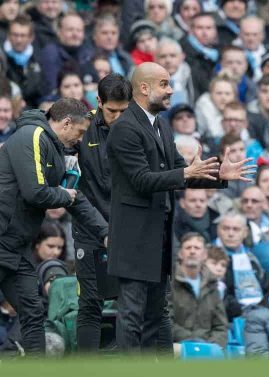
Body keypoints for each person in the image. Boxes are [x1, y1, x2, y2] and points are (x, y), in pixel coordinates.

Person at [105, 62, 255, 354]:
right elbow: (142, 179)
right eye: (164, 84)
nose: (171, 90)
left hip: (159, 237)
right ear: (144, 88)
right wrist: (185, 173)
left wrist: (217, 177)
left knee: (154, 317)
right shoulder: (124, 128)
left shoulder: (160, 123)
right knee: (132, 316)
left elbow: (177, 170)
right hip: (134, 238)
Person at [0, 98, 109, 355]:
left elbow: (73, 197)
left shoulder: (58, 150)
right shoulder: (33, 135)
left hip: (16, 247)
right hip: (2, 239)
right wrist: (64, 195)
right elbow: (35, 192)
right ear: (66, 123)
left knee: (33, 311)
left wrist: (105, 233)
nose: (80, 139)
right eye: (80, 132)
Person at [72, 73, 131, 353]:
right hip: (90, 228)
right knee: (90, 304)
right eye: (111, 111)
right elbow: (45, 121)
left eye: (124, 110)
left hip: (129, 228)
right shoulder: (82, 129)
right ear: (98, 102)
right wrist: (102, 229)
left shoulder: (138, 128)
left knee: (132, 304)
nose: (118, 116)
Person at [169, 233, 228, 347]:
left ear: (205, 255)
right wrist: (194, 343)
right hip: (177, 347)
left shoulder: (212, 285)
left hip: (207, 348)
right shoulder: (169, 282)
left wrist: (213, 346)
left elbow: (220, 326)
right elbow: (165, 321)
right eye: (188, 247)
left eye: (197, 248)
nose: (192, 251)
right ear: (180, 254)